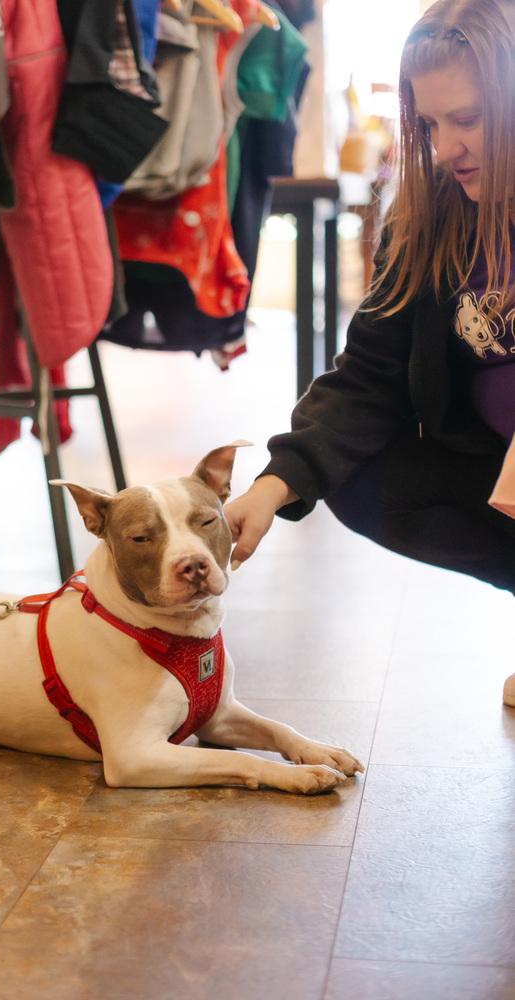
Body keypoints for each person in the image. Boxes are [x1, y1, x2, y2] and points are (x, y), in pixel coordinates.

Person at [224, 0, 515, 705]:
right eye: (429, 124)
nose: (446, 148)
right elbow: (366, 377)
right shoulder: (425, 222)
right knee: (354, 476)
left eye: (467, 120)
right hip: (492, 466)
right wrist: (273, 485)